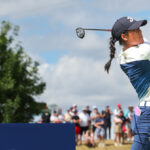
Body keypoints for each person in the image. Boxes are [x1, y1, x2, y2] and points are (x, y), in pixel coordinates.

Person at [105, 16, 150, 150]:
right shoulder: (139, 53)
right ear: (124, 37)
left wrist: (124, 35)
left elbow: (144, 41)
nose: (140, 31)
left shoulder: (126, 53)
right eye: (135, 30)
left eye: (139, 28)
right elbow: (146, 44)